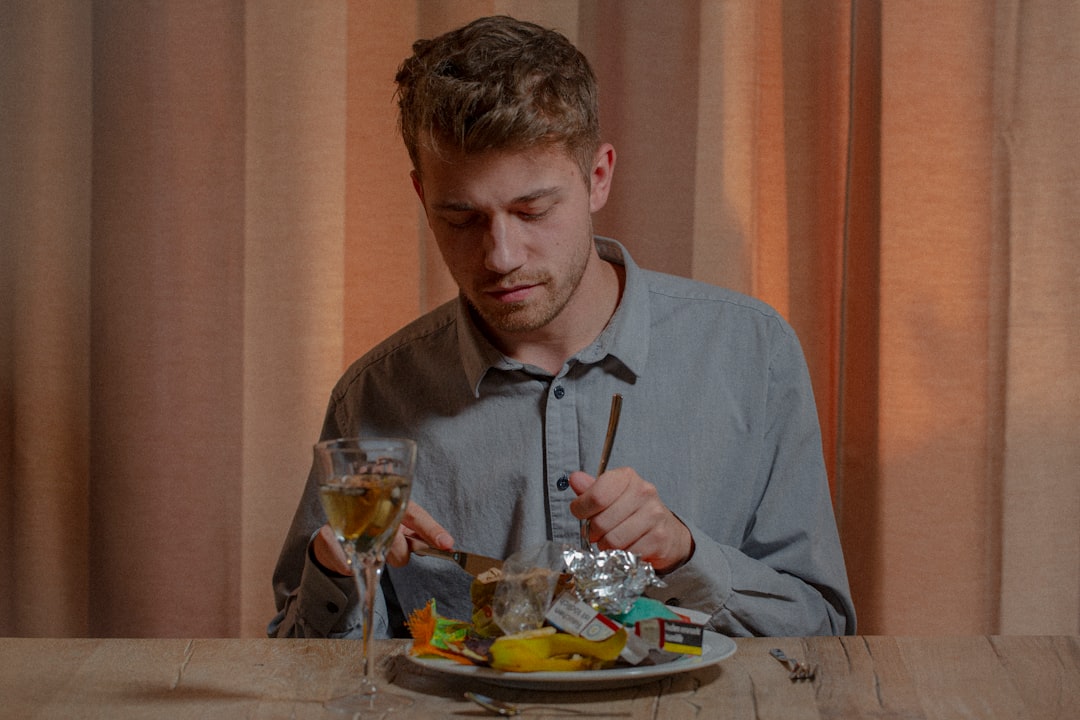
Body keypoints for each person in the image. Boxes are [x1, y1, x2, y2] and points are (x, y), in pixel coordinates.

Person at [269, 15, 855, 639]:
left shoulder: (752, 352)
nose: (501, 256)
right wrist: (337, 568)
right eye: (462, 219)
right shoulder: (374, 397)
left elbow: (824, 635)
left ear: (598, 177)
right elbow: (293, 666)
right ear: (421, 198)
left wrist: (687, 555)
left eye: (533, 211)